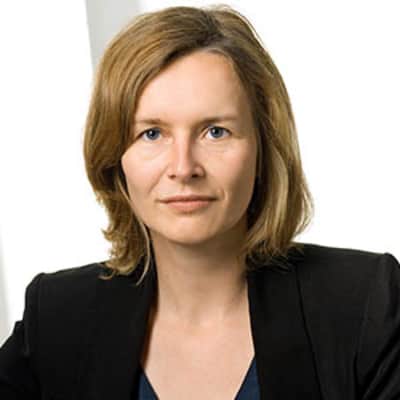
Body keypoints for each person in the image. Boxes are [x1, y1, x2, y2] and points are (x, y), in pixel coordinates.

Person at [0, 4, 399, 399]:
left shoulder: (364, 305)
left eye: (215, 131)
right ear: (114, 157)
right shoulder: (56, 317)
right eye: (152, 134)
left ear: (263, 149)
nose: (183, 167)